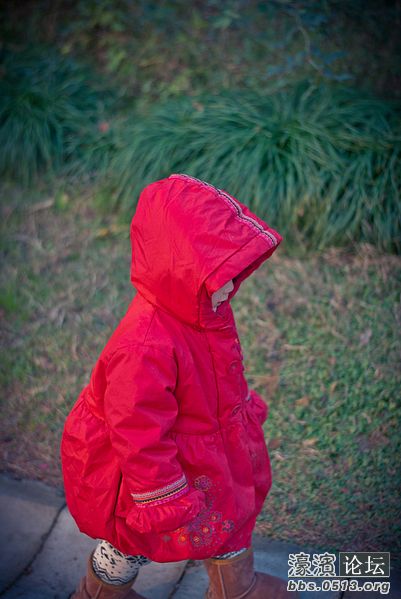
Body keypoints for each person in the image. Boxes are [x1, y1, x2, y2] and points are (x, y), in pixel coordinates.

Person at [61, 173, 298, 599]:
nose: (232, 284)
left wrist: (239, 409)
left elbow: (219, 372)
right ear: (181, 270)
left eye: (235, 271)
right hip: (153, 467)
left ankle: (235, 587)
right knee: (131, 542)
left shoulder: (202, 310)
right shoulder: (144, 346)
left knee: (230, 510)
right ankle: (101, 593)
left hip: (204, 447)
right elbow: (136, 430)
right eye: (220, 274)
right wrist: (162, 496)